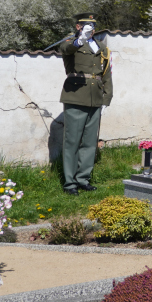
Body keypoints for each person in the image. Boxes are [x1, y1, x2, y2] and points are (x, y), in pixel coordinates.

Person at [59, 11, 113, 195]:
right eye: (86, 25)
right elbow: (66, 50)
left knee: (90, 142)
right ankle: (69, 183)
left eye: (93, 26)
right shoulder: (70, 43)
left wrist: (106, 98)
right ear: (78, 26)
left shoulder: (101, 48)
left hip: (95, 97)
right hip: (75, 96)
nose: (91, 28)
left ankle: (83, 179)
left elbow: (105, 74)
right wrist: (79, 39)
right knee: (72, 141)